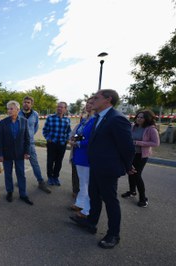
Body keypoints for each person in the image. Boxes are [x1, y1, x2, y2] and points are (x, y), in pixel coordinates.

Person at [70, 89, 135, 249]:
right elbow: (87, 135)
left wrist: (127, 166)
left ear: (108, 100)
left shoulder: (117, 119)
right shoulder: (99, 117)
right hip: (95, 165)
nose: (92, 101)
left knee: (110, 201)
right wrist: (74, 139)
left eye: (96, 98)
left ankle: (113, 234)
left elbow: (127, 147)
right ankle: (91, 223)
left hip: (107, 168)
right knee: (94, 196)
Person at [0, 100, 33, 205]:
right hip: (7, 153)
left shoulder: (24, 121)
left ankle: (23, 194)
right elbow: (0, 139)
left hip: (20, 153)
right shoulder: (3, 122)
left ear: (17, 109)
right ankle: (9, 192)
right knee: (8, 174)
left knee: (21, 174)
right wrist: (0, 154)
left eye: (11, 108)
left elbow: (27, 138)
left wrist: (27, 152)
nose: (9, 110)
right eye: (8, 108)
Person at [121, 109, 160, 207]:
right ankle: (132, 191)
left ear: (147, 119)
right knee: (130, 172)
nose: (139, 119)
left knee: (137, 175)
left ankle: (143, 198)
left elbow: (156, 143)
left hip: (141, 155)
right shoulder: (133, 127)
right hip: (131, 154)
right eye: (138, 117)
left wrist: (138, 143)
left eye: (142, 117)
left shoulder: (151, 129)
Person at [69, 97, 96, 218]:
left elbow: (92, 139)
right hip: (79, 154)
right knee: (82, 182)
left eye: (91, 103)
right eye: (87, 103)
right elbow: (81, 135)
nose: (88, 105)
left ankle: (87, 210)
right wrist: (74, 138)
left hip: (86, 156)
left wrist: (77, 142)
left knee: (87, 183)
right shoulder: (85, 119)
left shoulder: (96, 120)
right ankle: (80, 203)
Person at [19, 96, 51, 193]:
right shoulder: (18, 113)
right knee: (20, 164)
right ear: (22, 103)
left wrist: (30, 136)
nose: (26, 104)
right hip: (19, 143)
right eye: (24, 102)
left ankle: (40, 182)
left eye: (28, 102)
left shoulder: (35, 114)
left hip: (30, 144)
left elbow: (36, 127)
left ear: (31, 104)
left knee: (35, 163)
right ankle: (20, 181)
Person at [42, 101, 71, 186]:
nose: (59, 108)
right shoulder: (50, 118)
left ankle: (56, 177)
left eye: (62, 107)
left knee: (59, 162)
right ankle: (50, 177)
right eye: (58, 107)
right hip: (52, 144)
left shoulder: (67, 119)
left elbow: (69, 131)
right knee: (50, 161)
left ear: (65, 109)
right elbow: (45, 130)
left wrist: (67, 139)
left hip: (62, 144)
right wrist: (48, 139)